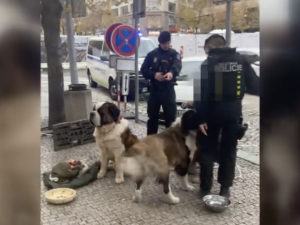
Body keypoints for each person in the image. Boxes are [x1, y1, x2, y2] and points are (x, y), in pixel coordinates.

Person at [194, 34, 259, 198]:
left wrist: (201, 118)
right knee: (229, 150)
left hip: (212, 113)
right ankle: (225, 188)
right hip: (233, 112)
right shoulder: (241, 61)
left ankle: (205, 188)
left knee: (207, 149)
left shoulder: (207, 64)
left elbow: (201, 94)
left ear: (210, 48)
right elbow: (255, 86)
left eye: (206, 50)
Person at [141, 31, 182, 135]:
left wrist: (171, 73)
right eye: (164, 43)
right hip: (155, 90)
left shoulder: (174, 54)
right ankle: (151, 142)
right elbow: (143, 69)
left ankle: (171, 143)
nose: (166, 45)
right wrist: (154, 75)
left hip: (168, 90)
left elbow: (177, 66)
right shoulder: (152, 54)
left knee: (170, 118)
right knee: (152, 118)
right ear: (160, 43)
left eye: (168, 43)